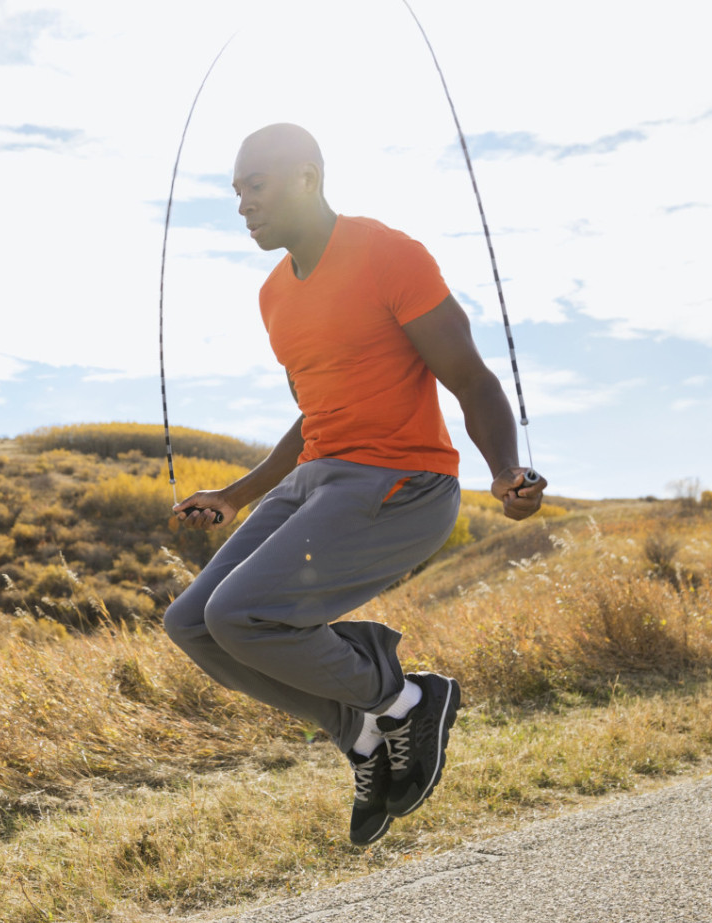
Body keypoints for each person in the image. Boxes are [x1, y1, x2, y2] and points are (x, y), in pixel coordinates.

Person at [163, 123, 547, 846]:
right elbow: (315, 414)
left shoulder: (388, 256)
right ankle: (365, 735)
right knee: (191, 623)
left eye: (256, 185)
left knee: (241, 613)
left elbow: (469, 378)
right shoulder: (274, 296)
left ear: (307, 178)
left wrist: (504, 472)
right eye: (236, 191)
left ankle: (408, 698)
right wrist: (237, 495)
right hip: (315, 479)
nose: (242, 204)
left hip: (403, 483)